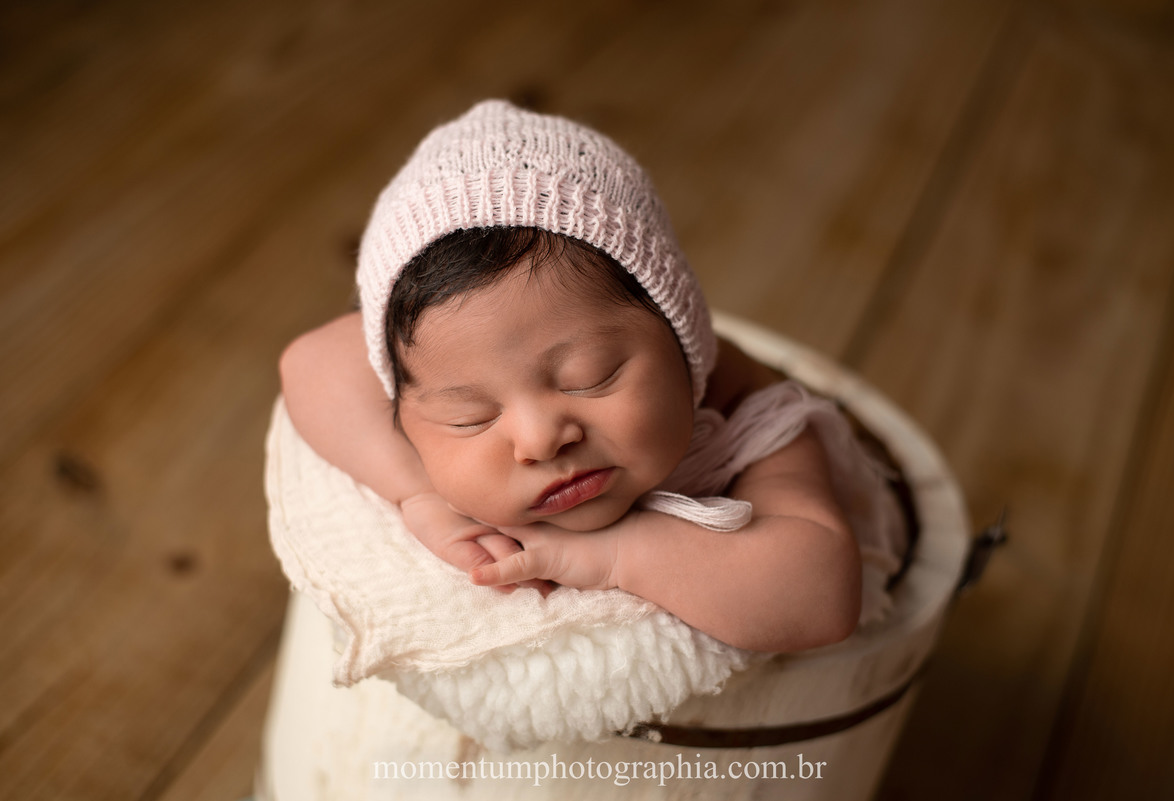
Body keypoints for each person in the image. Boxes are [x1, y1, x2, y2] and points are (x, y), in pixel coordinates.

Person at [279, 100, 904, 653]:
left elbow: (820, 596)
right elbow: (307, 361)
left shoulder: (747, 411)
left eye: (589, 377)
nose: (540, 439)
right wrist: (419, 495)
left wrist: (617, 555)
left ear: (683, 332)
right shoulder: (442, 356)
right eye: (470, 417)